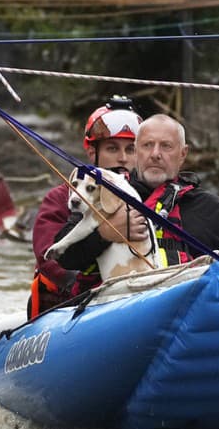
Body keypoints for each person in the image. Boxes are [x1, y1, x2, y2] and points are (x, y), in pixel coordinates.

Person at [50, 113, 219, 285]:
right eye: (147, 145)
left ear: (183, 154)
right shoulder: (105, 194)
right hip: (116, 307)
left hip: (186, 307)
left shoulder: (210, 208)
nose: (155, 154)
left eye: (166, 146)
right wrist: (105, 233)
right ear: (136, 151)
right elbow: (65, 258)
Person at [28, 97, 141, 316]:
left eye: (131, 149)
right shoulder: (61, 198)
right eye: (112, 148)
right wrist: (104, 235)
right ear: (92, 152)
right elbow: (47, 256)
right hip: (73, 305)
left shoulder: (144, 198)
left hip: (132, 297)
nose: (123, 158)